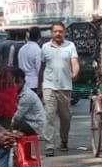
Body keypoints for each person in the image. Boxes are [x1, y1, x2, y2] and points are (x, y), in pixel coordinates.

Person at [40, 21, 80, 155]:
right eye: (55, 31)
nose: (58, 34)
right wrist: (40, 85)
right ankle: (49, 145)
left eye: (60, 32)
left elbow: (74, 62)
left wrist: (75, 73)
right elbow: (42, 67)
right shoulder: (45, 47)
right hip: (49, 86)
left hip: (65, 87)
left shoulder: (70, 46)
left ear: (64, 33)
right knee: (49, 115)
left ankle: (64, 140)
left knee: (65, 117)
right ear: (52, 33)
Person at [13, 66, 46, 138]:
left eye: (18, 82)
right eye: (14, 82)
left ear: (23, 81)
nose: (15, 85)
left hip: (35, 125)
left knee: (9, 123)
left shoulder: (27, 95)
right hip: (27, 122)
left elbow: (16, 117)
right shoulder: (16, 92)